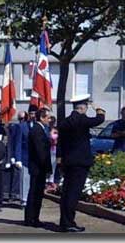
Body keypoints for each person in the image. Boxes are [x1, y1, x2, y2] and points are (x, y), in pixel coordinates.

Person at [57, 94, 105, 232]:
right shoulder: (82, 120)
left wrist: (60, 160)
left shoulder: (65, 122)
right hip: (80, 163)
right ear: (83, 108)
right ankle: (69, 223)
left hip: (68, 162)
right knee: (73, 193)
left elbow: (60, 143)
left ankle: (64, 221)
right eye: (86, 107)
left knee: (66, 192)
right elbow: (99, 119)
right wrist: (99, 109)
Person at [24, 107, 53, 227]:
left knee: (37, 194)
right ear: (41, 117)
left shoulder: (41, 129)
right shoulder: (37, 130)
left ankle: (34, 217)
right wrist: (47, 168)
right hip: (38, 167)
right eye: (48, 117)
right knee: (35, 193)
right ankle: (31, 218)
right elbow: (41, 152)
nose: (49, 119)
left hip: (39, 167)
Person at [4, 118, 21, 204]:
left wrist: (14, 156)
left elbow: (16, 142)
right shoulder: (5, 129)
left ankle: (14, 194)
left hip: (15, 155)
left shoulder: (17, 128)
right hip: (6, 156)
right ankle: (6, 194)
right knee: (7, 176)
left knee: (16, 176)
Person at [48, 117, 59, 184]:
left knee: (53, 165)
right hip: (47, 148)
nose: (51, 123)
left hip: (54, 149)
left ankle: (51, 179)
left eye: (52, 122)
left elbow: (57, 139)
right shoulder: (46, 129)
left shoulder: (56, 130)